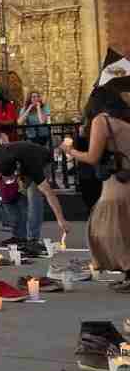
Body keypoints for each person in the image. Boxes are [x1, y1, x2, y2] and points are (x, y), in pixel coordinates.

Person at [63, 86, 130, 271]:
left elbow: (92, 157)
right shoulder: (122, 121)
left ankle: (124, 266)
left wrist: (71, 151)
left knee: (104, 226)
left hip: (118, 182)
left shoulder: (102, 120)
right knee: (122, 227)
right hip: (124, 177)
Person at [0, 140, 70, 247]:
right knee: (16, 195)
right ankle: (19, 235)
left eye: (14, 175)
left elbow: (49, 193)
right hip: (21, 158)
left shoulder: (33, 167)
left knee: (34, 198)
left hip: (42, 160)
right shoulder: (1, 155)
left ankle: (33, 238)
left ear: (17, 167)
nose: (14, 178)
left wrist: (61, 219)